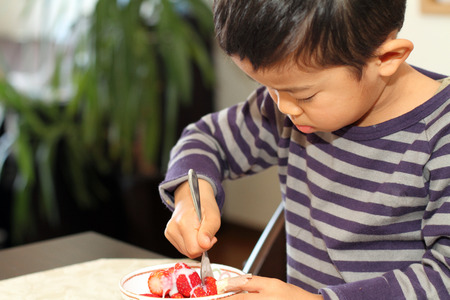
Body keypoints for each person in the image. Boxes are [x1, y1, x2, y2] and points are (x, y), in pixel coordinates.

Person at [159, 0, 450, 299]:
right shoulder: (284, 108)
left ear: (387, 58)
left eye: (305, 95)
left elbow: (445, 278)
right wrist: (190, 195)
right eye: (268, 87)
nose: (283, 106)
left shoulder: (441, 133)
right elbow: (206, 138)